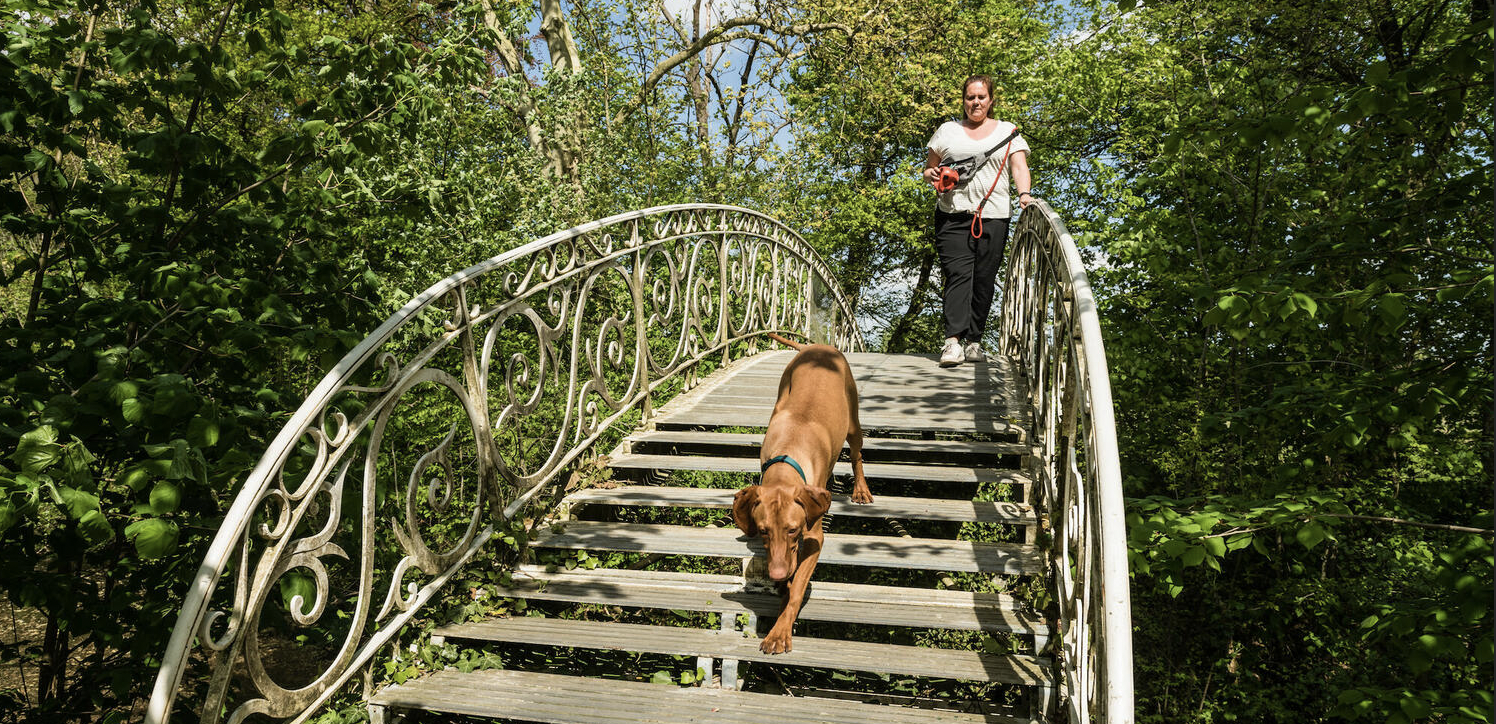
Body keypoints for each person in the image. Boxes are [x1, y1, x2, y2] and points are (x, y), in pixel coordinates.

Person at [921, 74, 1033, 367]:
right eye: (970, 97)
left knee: (983, 279)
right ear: (963, 100)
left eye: (981, 97)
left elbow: (1019, 166)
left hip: (994, 216)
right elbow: (929, 168)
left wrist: (1024, 194)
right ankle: (953, 342)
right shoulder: (947, 131)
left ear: (991, 100)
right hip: (952, 214)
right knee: (958, 275)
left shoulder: (1008, 131)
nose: (976, 102)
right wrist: (931, 175)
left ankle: (974, 341)